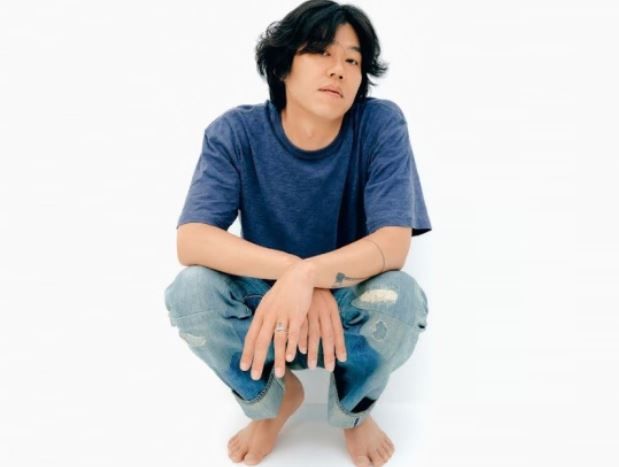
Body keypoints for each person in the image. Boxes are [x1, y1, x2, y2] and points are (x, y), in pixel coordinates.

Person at [164, 0, 432, 465]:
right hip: (265, 306)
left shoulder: (380, 124)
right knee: (190, 292)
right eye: (322, 52)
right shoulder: (235, 133)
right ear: (283, 65)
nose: (339, 69)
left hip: (346, 307)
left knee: (402, 300)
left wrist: (311, 277)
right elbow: (192, 239)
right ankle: (272, 401)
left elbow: (393, 246)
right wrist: (294, 274)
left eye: (352, 60)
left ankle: (353, 413)